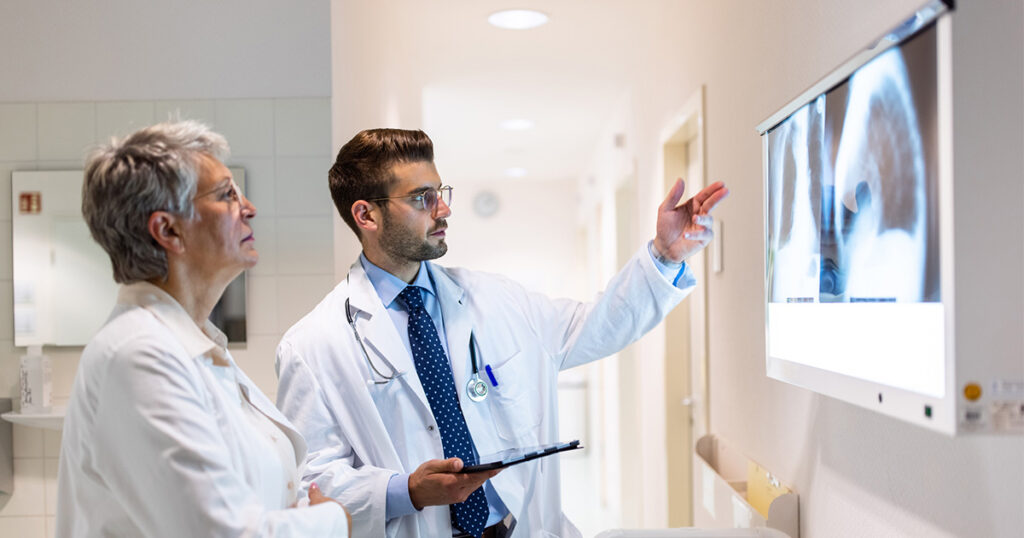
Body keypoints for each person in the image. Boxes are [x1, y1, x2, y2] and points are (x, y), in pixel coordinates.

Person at [275, 128, 728, 538]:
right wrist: (407, 490)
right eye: (422, 197)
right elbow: (311, 482)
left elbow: (595, 326)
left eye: (441, 191)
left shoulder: (497, 300)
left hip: (520, 528)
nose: (444, 208)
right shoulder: (313, 345)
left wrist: (665, 257)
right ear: (366, 215)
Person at [56, 120, 351, 537]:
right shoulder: (137, 354)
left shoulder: (194, 347)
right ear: (168, 230)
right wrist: (334, 520)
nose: (249, 207)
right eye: (226, 194)